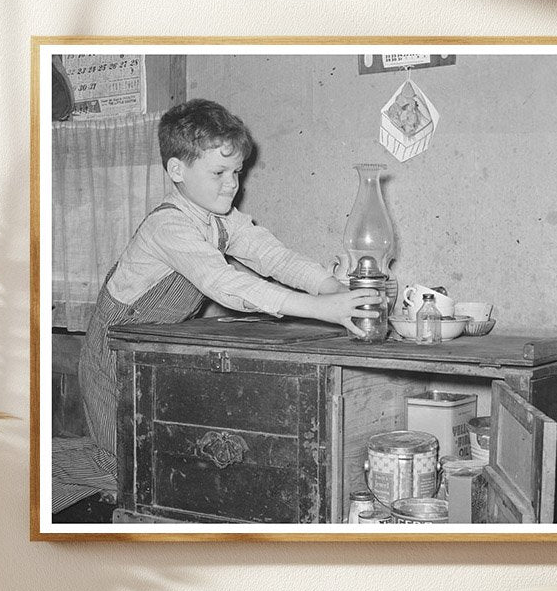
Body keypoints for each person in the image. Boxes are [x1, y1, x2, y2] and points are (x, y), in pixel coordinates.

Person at [78, 98, 379, 457]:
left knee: (152, 464)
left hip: (151, 349)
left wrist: (334, 290)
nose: (231, 184)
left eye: (236, 172)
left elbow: (276, 258)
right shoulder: (168, 225)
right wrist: (321, 308)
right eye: (218, 173)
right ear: (177, 170)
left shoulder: (223, 219)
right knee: (118, 468)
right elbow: (225, 284)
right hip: (110, 355)